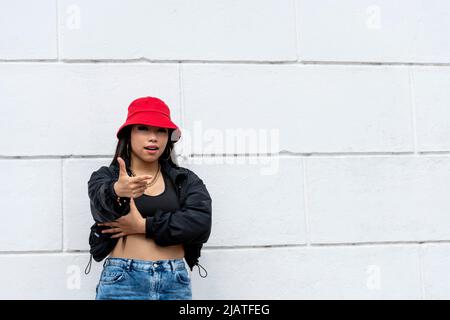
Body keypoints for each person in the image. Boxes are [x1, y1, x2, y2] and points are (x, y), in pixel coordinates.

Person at [87, 96, 212, 300]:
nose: (153, 137)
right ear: (129, 134)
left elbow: (200, 224)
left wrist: (144, 226)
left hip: (174, 282)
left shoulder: (185, 180)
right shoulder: (105, 178)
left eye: (161, 130)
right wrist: (117, 190)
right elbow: (101, 209)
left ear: (168, 137)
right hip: (122, 280)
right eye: (143, 128)